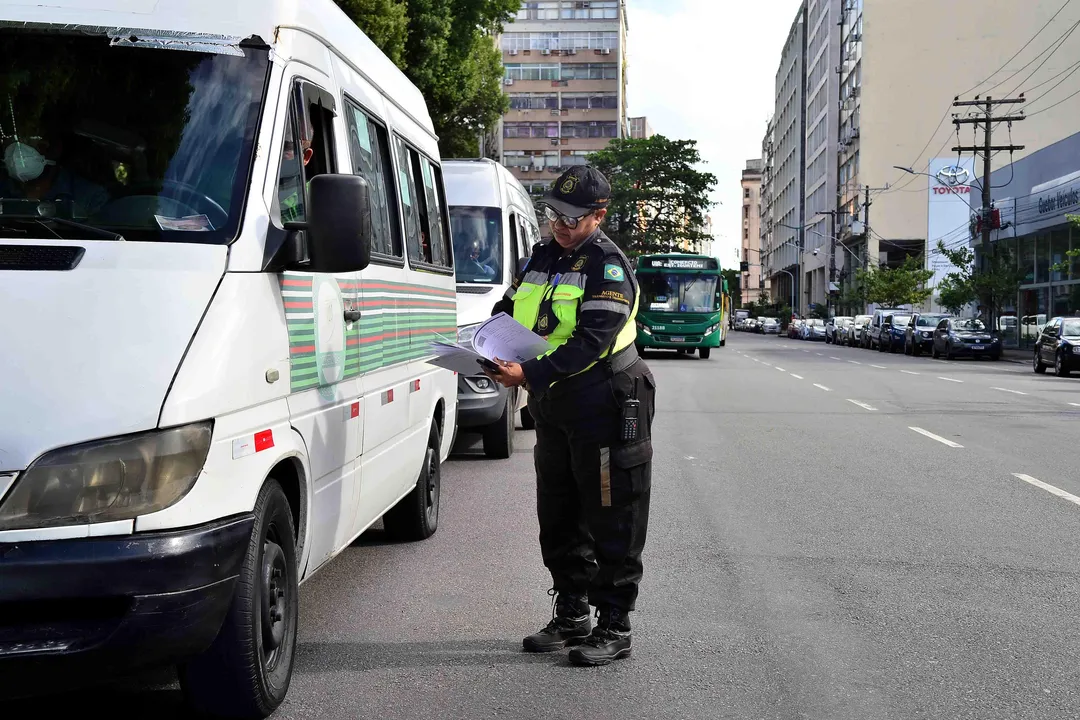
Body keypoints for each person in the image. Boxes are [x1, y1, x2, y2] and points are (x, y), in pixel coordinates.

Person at [483, 165, 656, 667]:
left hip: (605, 398)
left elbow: (591, 340)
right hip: (555, 403)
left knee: (612, 511)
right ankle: (572, 612)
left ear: (599, 216)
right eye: (553, 214)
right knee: (557, 512)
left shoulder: (609, 265)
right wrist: (485, 343)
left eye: (572, 217)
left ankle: (615, 625)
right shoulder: (542, 257)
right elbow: (512, 307)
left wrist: (528, 374)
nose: (559, 223)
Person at [1, 134, 109, 218]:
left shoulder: (89, 197)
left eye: (30, 139)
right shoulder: (3, 188)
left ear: (56, 148)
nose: (17, 151)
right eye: (11, 139)